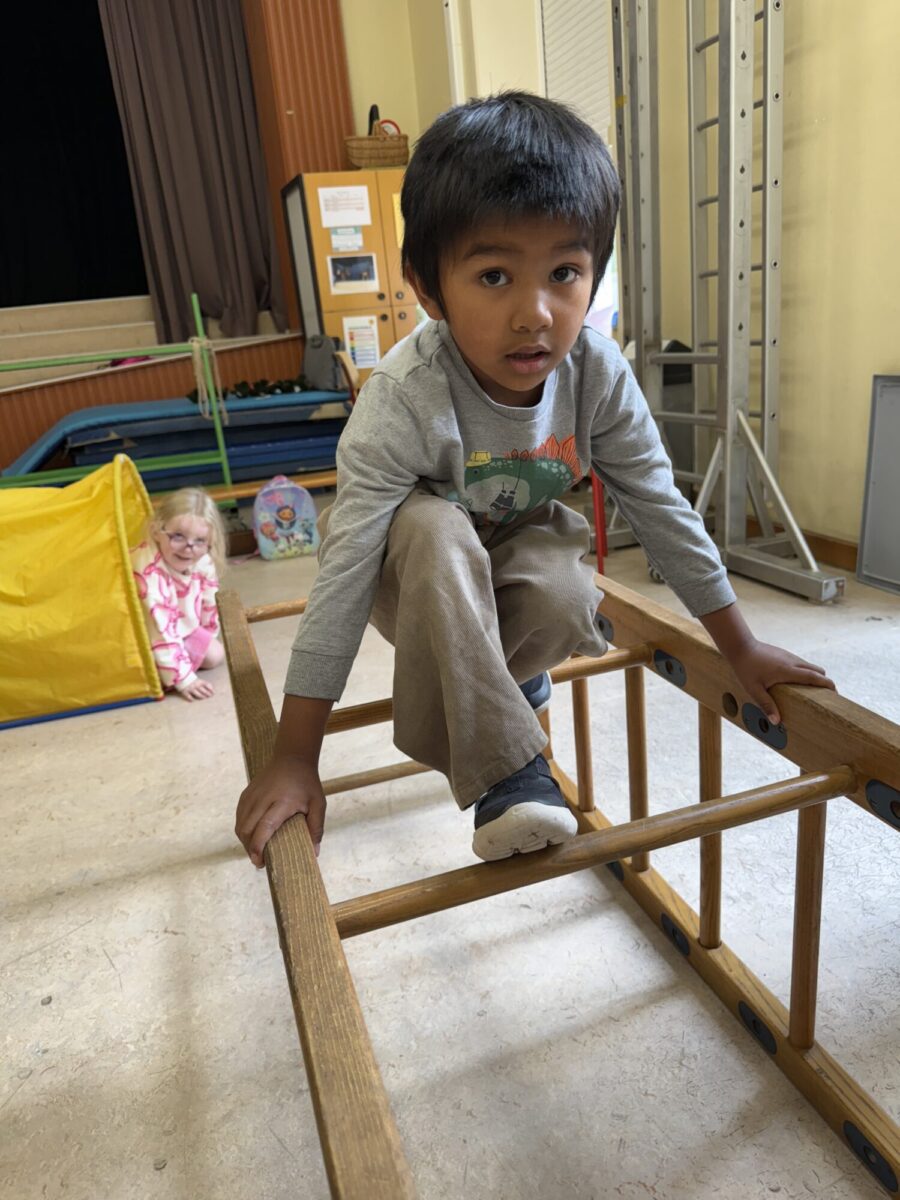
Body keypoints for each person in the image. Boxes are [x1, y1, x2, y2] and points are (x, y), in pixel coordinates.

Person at [235, 91, 833, 867]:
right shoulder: (404, 398)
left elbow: (659, 506)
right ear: (427, 287)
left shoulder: (597, 374)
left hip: (513, 545)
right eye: (493, 276)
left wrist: (741, 646)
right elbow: (346, 571)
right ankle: (510, 770)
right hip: (409, 571)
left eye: (564, 273)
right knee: (435, 527)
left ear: (595, 276)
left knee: (568, 592)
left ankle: (500, 687)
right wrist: (295, 755)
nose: (536, 313)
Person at [131, 487, 226, 701]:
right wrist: (184, 679)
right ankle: (166, 665)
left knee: (214, 653)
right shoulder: (147, 571)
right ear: (156, 531)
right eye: (178, 536)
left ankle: (170, 661)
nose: (188, 548)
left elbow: (209, 603)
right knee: (147, 673)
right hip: (143, 634)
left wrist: (207, 634)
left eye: (200, 541)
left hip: (174, 626)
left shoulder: (202, 560)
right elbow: (158, 627)